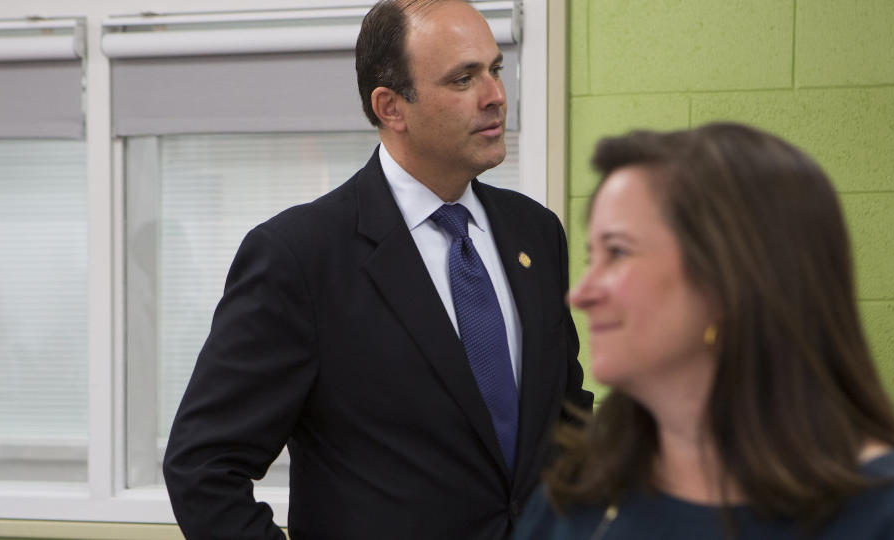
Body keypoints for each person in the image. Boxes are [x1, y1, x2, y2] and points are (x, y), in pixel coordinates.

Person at [162, 1, 592, 539]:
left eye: (495, 70)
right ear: (391, 107)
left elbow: (566, 418)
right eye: (463, 79)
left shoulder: (536, 234)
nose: (495, 96)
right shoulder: (299, 257)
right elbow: (202, 469)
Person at [513, 123, 894, 539]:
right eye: (591, 256)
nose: (580, 294)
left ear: (730, 277)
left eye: (618, 252)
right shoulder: (574, 502)